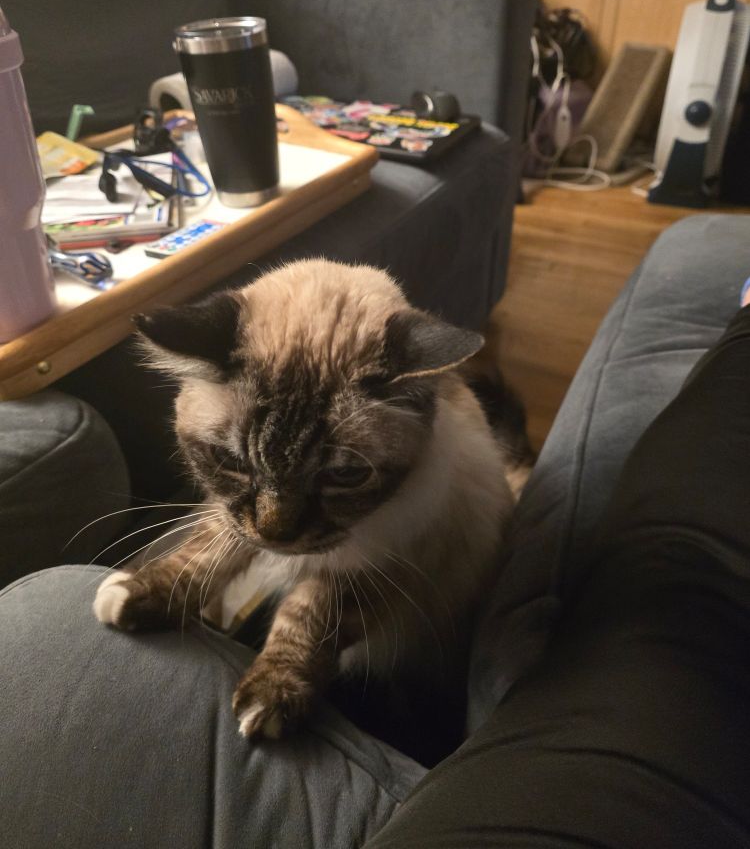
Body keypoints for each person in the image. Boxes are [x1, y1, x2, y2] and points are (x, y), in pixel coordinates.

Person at [4, 277, 750, 849]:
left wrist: (296, 647)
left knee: (329, 591)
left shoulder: (413, 415)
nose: (275, 524)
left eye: (342, 475)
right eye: (231, 464)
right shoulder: (288, 444)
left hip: (414, 642)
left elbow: (354, 579)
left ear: (420, 402)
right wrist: (185, 572)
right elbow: (258, 509)